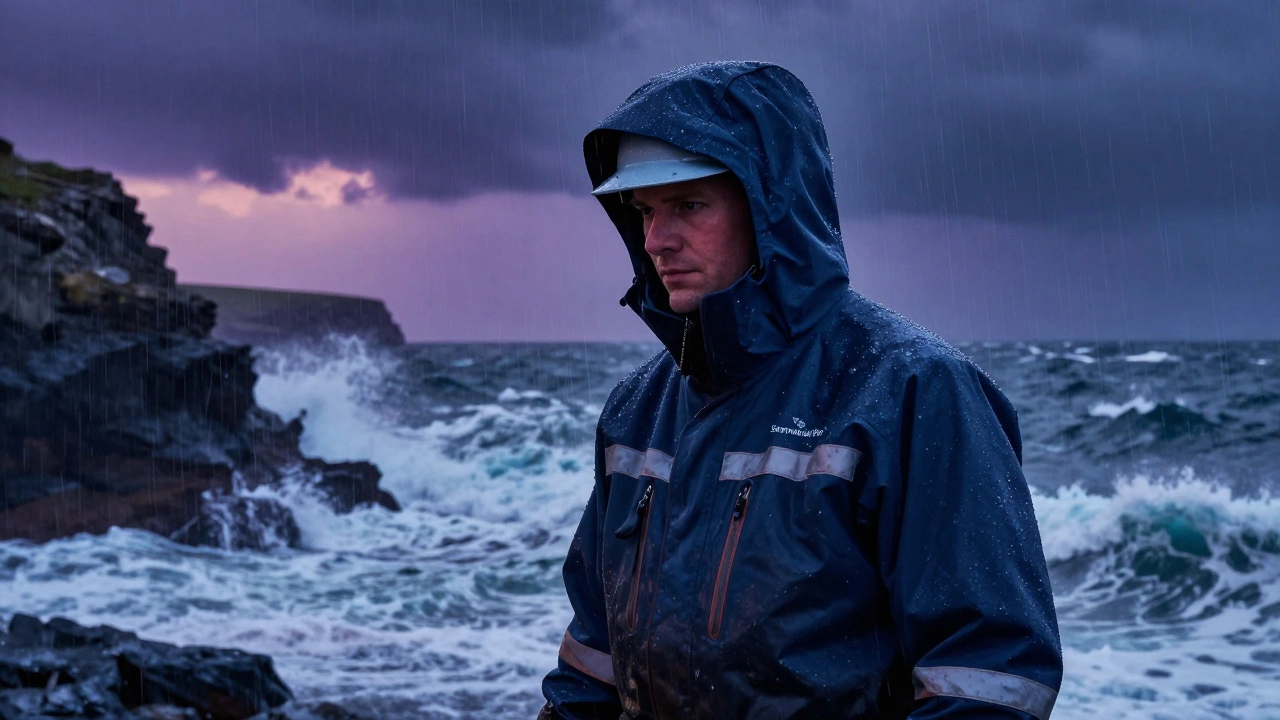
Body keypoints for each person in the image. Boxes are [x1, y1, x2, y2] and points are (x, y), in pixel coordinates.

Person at [539, 61, 1063, 720]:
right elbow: (593, 666)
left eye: (687, 205)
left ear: (769, 207)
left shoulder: (915, 393)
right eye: (643, 211)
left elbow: (988, 681)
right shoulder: (637, 412)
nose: (655, 240)